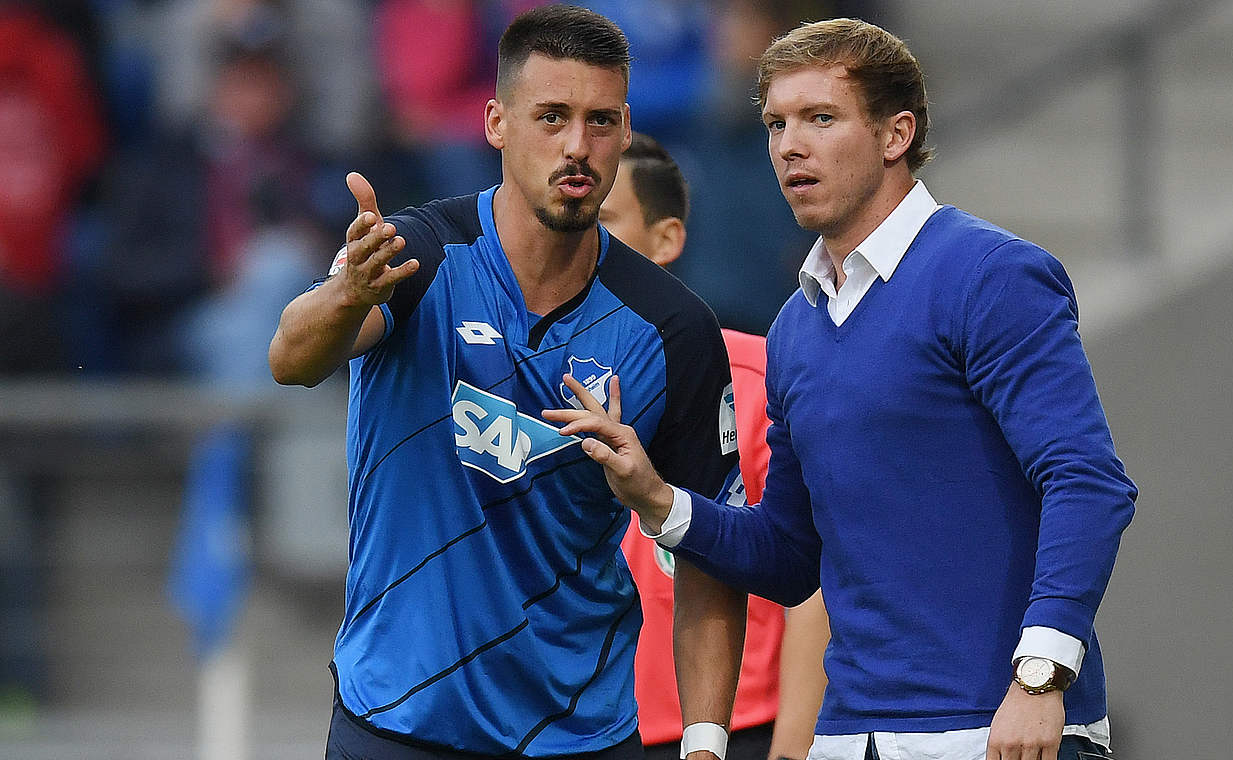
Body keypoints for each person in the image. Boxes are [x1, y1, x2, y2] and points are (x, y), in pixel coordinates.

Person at [546, 18, 1137, 760]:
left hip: (996, 727)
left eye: (820, 118)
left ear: (896, 135)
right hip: (849, 735)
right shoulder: (795, 326)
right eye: (776, 123)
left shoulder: (990, 274)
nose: (790, 145)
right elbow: (792, 556)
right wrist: (660, 502)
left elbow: (1088, 482)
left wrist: (1042, 678)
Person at [269, 6, 743, 758]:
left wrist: (706, 744)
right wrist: (346, 294)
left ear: (625, 132)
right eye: (551, 117)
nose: (576, 146)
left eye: (600, 121)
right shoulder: (417, 255)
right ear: (496, 122)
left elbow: (712, 554)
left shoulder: (673, 329)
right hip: (396, 723)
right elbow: (292, 361)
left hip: (578, 737)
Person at [598, 133, 830, 760]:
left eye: (603, 221)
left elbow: (813, 583)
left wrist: (791, 752)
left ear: (667, 239)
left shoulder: (751, 379)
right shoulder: (520, 377)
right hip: (576, 733)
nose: (580, 243)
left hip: (736, 730)